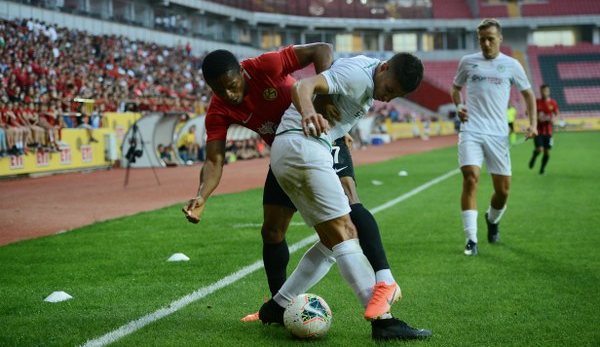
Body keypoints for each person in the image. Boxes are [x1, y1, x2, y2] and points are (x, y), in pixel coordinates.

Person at [182, 45, 410, 339]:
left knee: (349, 209)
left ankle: (382, 309)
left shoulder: (264, 66)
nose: (228, 94)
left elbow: (321, 50)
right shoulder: (218, 109)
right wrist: (202, 196)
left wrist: (324, 99)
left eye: (231, 86)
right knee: (273, 231)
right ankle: (279, 304)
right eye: (218, 90)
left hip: (320, 132)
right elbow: (214, 159)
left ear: (242, 71)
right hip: (289, 147)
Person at [259, 52, 431, 340]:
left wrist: (335, 123)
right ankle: (383, 322)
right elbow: (301, 87)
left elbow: (330, 67)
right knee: (346, 232)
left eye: (395, 96)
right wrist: (309, 112)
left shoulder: (366, 69)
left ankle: (277, 306)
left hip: (299, 148)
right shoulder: (358, 75)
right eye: (389, 89)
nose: (387, 99)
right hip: (304, 146)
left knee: (330, 241)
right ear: (384, 68)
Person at [451, 18, 537, 256]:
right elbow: (456, 89)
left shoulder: (512, 65)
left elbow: (529, 95)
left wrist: (532, 123)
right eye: (482, 39)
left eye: (490, 39)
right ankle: (471, 239)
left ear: (500, 39)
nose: (486, 44)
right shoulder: (467, 62)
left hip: (498, 135)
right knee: (471, 178)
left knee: (503, 190)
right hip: (471, 129)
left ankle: (492, 219)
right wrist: (459, 106)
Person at [529, 85, 559, 175]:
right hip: (538, 131)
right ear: (540, 91)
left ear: (548, 91)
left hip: (549, 132)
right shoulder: (536, 102)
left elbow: (557, 114)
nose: (544, 92)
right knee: (540, 149)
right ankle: (534, 156)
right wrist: (536, 118)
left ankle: (542, 169)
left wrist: (554, 119)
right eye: (543, 91)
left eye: (546, 91)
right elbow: (529, 112)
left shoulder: (553, 103)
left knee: (547, 153)